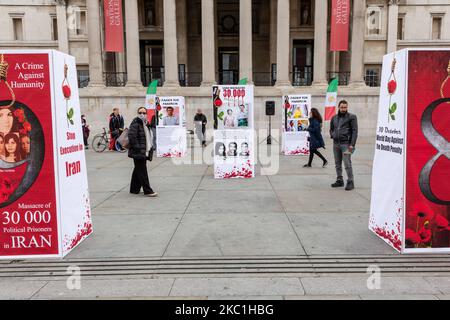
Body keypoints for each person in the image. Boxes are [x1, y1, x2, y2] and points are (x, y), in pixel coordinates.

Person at [128, 107, 158, 197]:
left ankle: (134, 189)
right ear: (137, 113)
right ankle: (148, 190)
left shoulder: (144, 123)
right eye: (140, 112)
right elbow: (132, 136)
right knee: (142, 171)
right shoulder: (135, 122)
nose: (142, 114)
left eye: (144, 112)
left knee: (137, 170)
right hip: (139, 151)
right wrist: (138, 148)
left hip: (143, 151)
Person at [330, 100, 358, 191]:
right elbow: (331, 129)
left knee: (347, 163)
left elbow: (354, 131)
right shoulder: (334, 118)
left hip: (346, 144)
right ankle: (339, 180)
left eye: (345, 107)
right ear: (338, 107)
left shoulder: (352, 117)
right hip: (336, 144)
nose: (343, 109)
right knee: (337, 164)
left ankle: (350, 181)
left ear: (347, 107)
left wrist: (352, 145)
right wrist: (332, 135)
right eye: (342, 107)